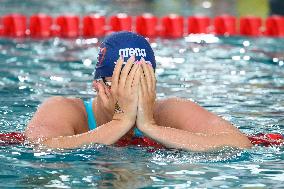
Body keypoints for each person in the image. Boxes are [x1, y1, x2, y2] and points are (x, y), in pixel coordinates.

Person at [25, 31, 252, 151]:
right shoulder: (67, 111)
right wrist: (119, 123)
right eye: (123, 83)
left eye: (140, 82)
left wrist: (149, 126)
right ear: (98, 86)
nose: (132, 93)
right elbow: (39, 145)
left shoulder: (170, 111)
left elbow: (239, 143)